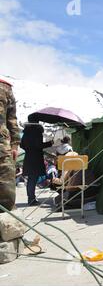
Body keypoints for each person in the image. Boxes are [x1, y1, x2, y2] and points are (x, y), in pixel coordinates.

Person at [20, 121, 53, 206]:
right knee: (33, 179)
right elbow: (39, 145)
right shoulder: (37, 132)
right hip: (36, 159)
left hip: (28, 158)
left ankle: (31, 198)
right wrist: (50, 143)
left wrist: (29, 149)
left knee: (31, 179)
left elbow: (22, 145)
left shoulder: (26, 133)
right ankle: (31, 200)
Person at [0, 79, 20, 211]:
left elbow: (12, 119)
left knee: (6, 191)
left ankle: (9, 227)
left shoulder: (4, 87)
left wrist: (14, 145)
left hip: (2, 148)